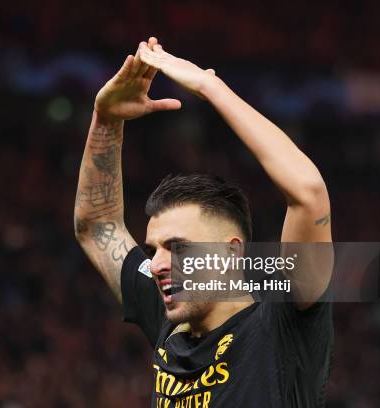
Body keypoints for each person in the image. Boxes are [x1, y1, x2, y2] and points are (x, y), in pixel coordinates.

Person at [74, 37, 334, 407]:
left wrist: (210, 87)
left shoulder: (281, 323)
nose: (158, 263)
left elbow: (308, 192)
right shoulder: (172, 310)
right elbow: (97, 225)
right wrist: (108, 119)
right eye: (155, 249)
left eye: (177, 247)